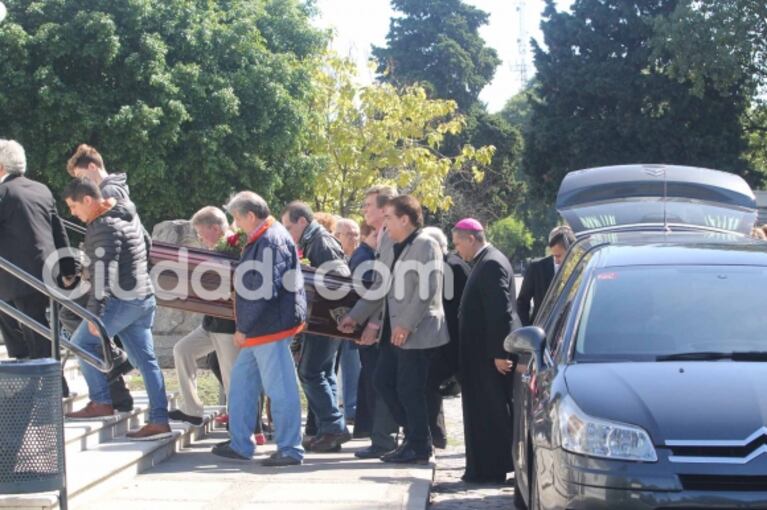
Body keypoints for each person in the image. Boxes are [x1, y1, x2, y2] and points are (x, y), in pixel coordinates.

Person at [340, 195, 449, 464]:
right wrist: (355, 317)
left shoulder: (425, 244)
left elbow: (427, 290)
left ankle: (418, 445)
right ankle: (416, 437)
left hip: (417, 332)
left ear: (405, 219)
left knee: (409, 388)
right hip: (393, 331)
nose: (384, 223)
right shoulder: (392, 242)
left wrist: (405, 324)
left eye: (388, 217)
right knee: (383, 381)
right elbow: (380, 287)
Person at [62, 178, 171, 440]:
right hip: (142, 296)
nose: (73, 213)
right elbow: (147, 244)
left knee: (80, 345)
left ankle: (101, 401)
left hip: (122, 301)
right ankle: (159, 420)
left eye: (74, 206)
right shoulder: (126, 213)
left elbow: (103, 273)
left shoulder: (102, 226)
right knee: (146, 362)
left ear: (88, 200)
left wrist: (95, 313)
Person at [211, 192, 305, 466]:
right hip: (265, 327)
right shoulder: (268, 236)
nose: (236, 224)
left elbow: (261, 290)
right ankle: (241, 443)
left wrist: (245, 327)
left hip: (267, 328)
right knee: (241, 386)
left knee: (280, 390)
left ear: (250, 216)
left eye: (238, 218)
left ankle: (289, 449)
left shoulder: (269, 240)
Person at [64, 143, 137, 411]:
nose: (81, 185)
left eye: (82, 177)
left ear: (93, 167)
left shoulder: (108, 192)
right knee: (71, 315)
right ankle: (115, 374)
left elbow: (111, 237)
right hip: (120, 276)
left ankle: (114, 365)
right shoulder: (116, 188)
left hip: (117, 278)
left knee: (71, 316)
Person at [281, 201, 352, 453]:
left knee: (310, 372)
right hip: (325, 319)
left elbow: (341, 280)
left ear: (302, 222)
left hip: (325, 318)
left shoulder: (320, 241)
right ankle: (329, 430)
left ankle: (333, 426)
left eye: (289, 226)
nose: (287, 231)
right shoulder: (314, 241)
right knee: (321, 372)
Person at [452, 218, 516, 483]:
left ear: (471, 238)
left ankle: (491, 468)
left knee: (490, 412)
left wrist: (500, 352)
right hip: (479, 356)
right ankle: (483, 467)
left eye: (458, 244)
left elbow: (500, 311)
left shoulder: (490, 263)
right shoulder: (484, 260)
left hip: (488, 358)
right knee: (482, 411)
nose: (457, 251)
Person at [0, 139, 76, 361]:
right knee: (36, 326)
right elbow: (58, 231)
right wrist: (69, 269)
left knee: (32, 330)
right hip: (47, 270)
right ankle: (37, 373)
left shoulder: (4, 192)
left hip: (17, 276)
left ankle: (41, 377)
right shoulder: (41, 189)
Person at [168, 207, 240, 426]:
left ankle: (240, 427)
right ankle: (192, 410)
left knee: (232, 379)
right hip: (211, 324)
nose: (199, 238)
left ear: (215, 228)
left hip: (229, 325)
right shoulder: (219, 247)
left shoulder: (234, 246)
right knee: (183, 350)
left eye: (201, 233)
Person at [348, 185, 400, 459]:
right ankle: (383, 437)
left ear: (383, 208)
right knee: (380, 380)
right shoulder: (383, 235)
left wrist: (373, 324)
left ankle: (384, 440)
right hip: (384, 321)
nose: (364, 210)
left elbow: (384, 285)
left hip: (391, 324)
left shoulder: (389, 236)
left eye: (368, 205)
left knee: (382, 381)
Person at [421, 226, 470, 450]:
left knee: (429, 384)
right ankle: (436, 435)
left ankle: (433, 436)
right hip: (447, 339)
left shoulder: (451, 267)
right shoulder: (447, 264)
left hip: (451, 340)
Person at [516, 225, 575, 326]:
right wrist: (527, 330)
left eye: (559, 255)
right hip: (541, 330)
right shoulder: (536, 268)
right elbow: (522, 303)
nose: (556, 260)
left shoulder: (580, 267)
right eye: (555, 255)